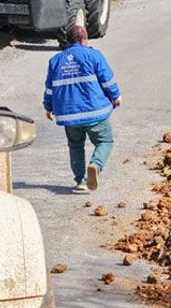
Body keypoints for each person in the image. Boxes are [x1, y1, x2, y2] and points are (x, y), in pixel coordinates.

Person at [43, 26, 121, 192]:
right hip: (95, 112)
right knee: (104, 141)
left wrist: (48, 107)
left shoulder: (55, 61)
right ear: (85, 39)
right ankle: (96, 165)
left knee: (75, 145)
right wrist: (116, 96)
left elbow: (50, 88)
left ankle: (80, 181)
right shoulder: (93, 55)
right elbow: (107, 80)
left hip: (69, 115)